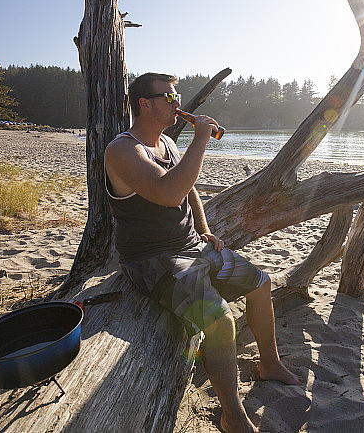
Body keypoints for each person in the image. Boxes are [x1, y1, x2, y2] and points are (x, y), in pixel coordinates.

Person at [104, 73, 299, 433]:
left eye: (176, 95)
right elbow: (169, 193)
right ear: (144, 104)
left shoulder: (166, 142)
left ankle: (269, 363)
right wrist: (200, 139)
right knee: (220, 320)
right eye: (168, 96)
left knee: (261, 283)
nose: (177, 102)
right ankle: (232, 417)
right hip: (152, 259)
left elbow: (189, 189)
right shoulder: (123, 150)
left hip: (190, 245)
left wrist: (204, 228)